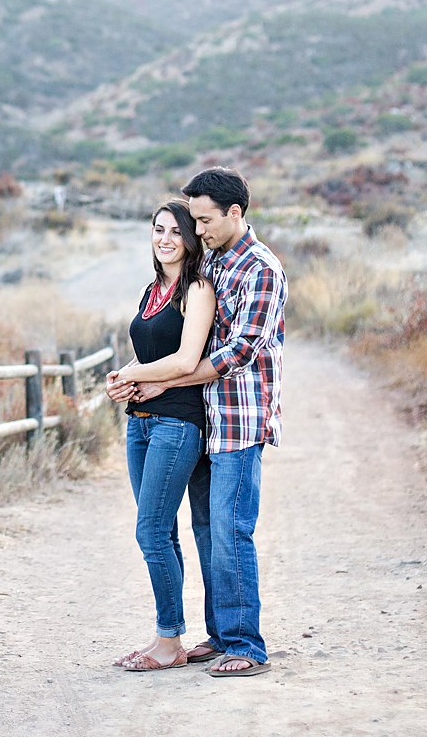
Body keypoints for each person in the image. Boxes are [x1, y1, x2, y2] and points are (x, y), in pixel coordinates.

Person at [123, 167, 285, 678]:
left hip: (240, 418)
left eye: (205, 220)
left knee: (232, 531)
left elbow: (238, 351)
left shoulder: (261, 267)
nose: (198, 229)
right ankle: (219, 637)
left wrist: (164, 382)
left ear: (235, 213)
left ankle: (246, 645)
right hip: (206, 417)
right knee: (206, 530)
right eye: (192, 219)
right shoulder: (213, 260)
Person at [105, 201, 215, 671]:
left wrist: (144, 374)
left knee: (150, 532)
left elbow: (187, 360)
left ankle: (170, 642)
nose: (165, 238)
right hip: (140, 423)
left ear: (191, 239)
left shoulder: (197, 289)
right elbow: (150, 353)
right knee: (161, 531)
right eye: (158, 230)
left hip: (177, 422)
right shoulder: (152, 291)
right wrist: (123, 376)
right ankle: (165, 636)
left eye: (176, 231)